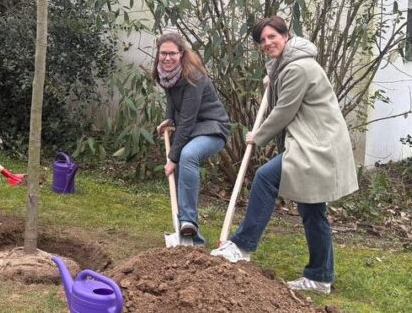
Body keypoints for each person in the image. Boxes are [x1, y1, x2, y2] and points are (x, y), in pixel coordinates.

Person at [211, 16, 359, 294]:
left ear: (286, 35)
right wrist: (274, 74)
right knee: (313, 209)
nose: (267, 43)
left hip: (316, 145)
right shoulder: (290, 64)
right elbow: (284, 90)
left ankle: (242, 246)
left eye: (272, 37)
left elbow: (284, 112)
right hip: (316, 141)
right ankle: (320, 277)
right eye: (262, 40)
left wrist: (258, 136)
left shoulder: (298, 68)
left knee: (266, 177)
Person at [154, 32, 230, 245]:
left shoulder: (193, 77)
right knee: (180, 170)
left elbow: (187, 120)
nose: (167, 58)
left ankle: (188, 221)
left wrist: (172, 157)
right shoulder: (164, 73)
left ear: (182, 54)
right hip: (192, 128)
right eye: (163, 53)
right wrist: (169, 119)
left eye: (172, 54)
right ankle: (190, 236)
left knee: (187, 156)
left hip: (212, 128)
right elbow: (171, 96)